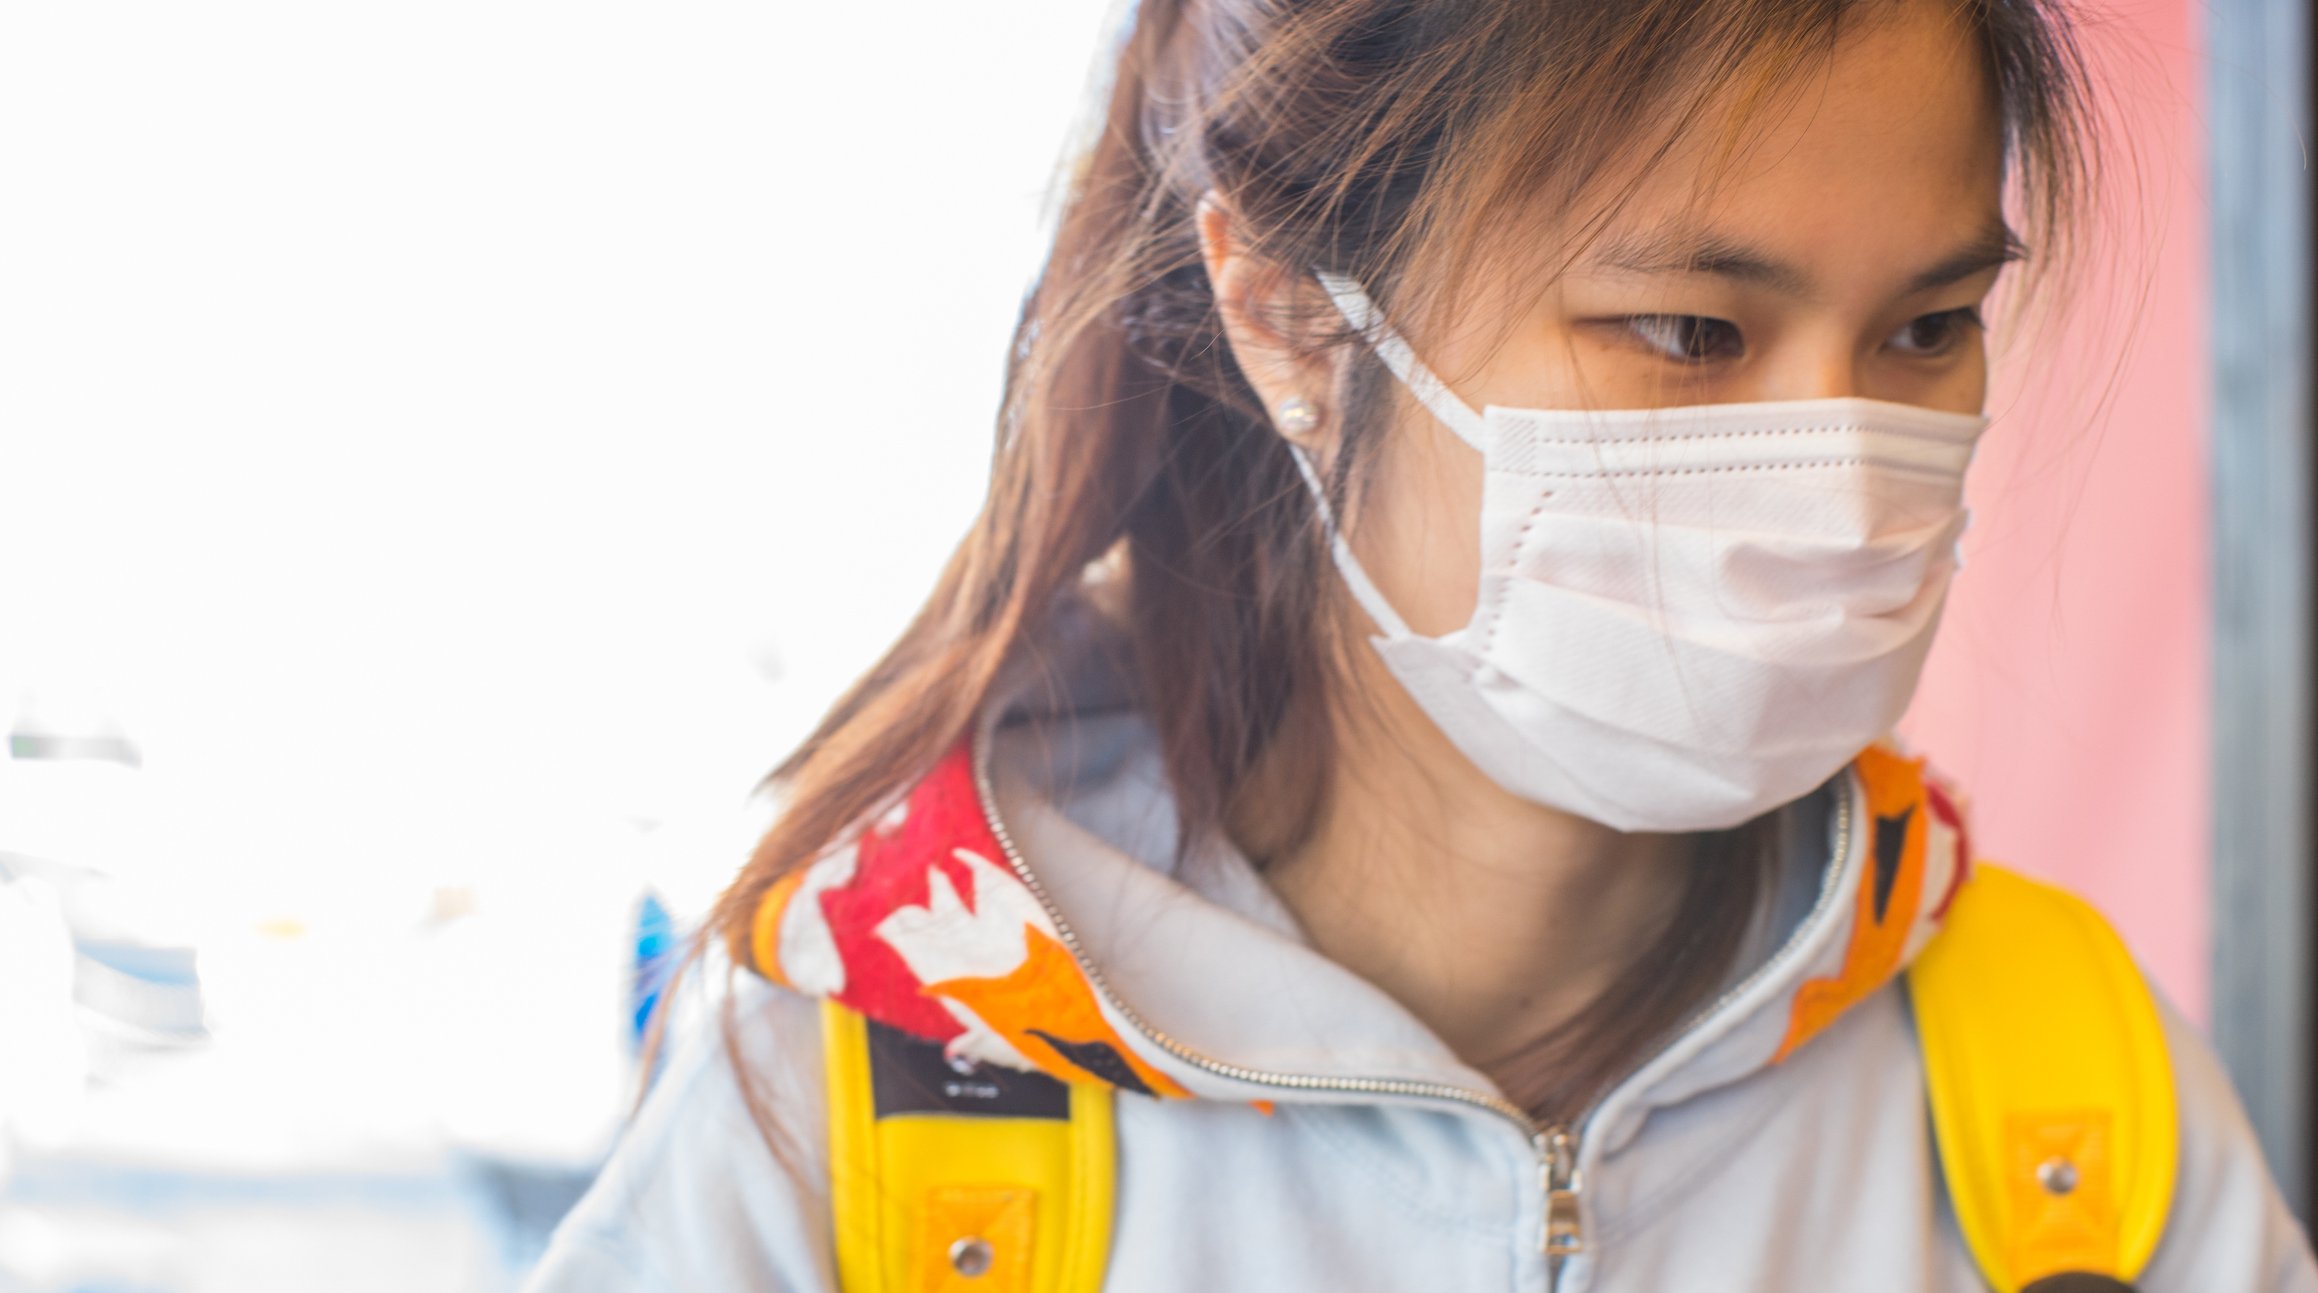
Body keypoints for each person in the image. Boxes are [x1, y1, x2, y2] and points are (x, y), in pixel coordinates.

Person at [526, 0, 2318, 1287]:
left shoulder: (2064, 1099)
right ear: (1291, 319)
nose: (1838, 466)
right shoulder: (866, 1106)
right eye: (1689, 330)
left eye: (1928, 324)